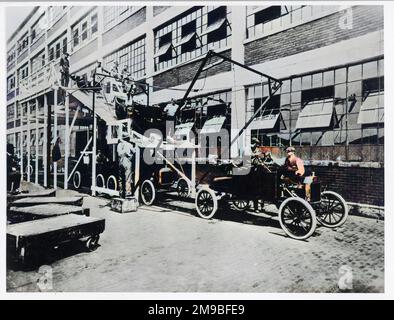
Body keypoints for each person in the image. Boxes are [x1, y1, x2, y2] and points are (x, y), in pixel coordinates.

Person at [117, 134, 136, 198]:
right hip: (127, 162)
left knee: (120, 178)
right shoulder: (129, 145)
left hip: (120, 161)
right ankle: (128, 192)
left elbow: (119, 153)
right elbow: (134, 151)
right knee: (128, 178)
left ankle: (121, 192)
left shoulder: (119, 145)